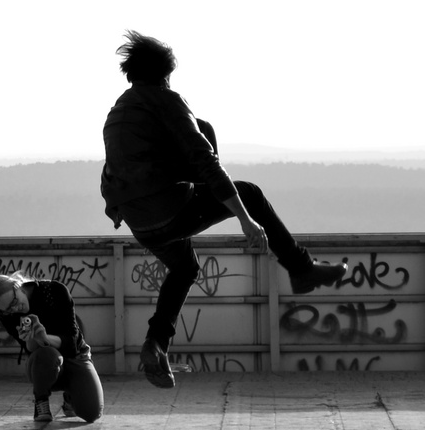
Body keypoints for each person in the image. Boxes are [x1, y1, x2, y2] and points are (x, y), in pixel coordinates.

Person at [101, 31, 347, 388]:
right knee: (250, 191)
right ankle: (301, 268)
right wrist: (245, 218)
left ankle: (156, 344)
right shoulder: (166, 100)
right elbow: (205, 160)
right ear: (165, 73)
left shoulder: (118, 110)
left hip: (138, 219)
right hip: (167, 209)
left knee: (184, 267)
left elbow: (121, 166)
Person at [0, 272, 104, 424]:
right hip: (45, 362)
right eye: (8, 309)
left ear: (19, 286)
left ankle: (71, 395)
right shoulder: (6, 314)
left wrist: (45, 338)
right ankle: (41, 400)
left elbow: (72, 342)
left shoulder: (54, 291)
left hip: (75, 355)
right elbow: (30, 350)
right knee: (46, 355)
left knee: (92, 413)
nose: (15, 309)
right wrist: (31, 339)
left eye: (14, 301)